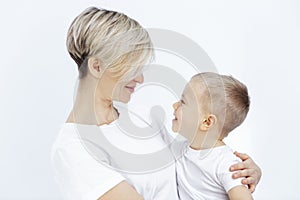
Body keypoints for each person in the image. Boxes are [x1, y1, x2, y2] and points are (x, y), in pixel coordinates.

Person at [51, 7, 261, 200]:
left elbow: (192, 160)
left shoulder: (140, 116)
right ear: (97, 67)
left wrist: (242, 175)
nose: (140, 79)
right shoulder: (73, 149)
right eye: (132, 69)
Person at [172, 72, 255, 200]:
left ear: (207, 122)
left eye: (183, 102)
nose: (174, 105)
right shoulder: (179, 149)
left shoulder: (226, 164)